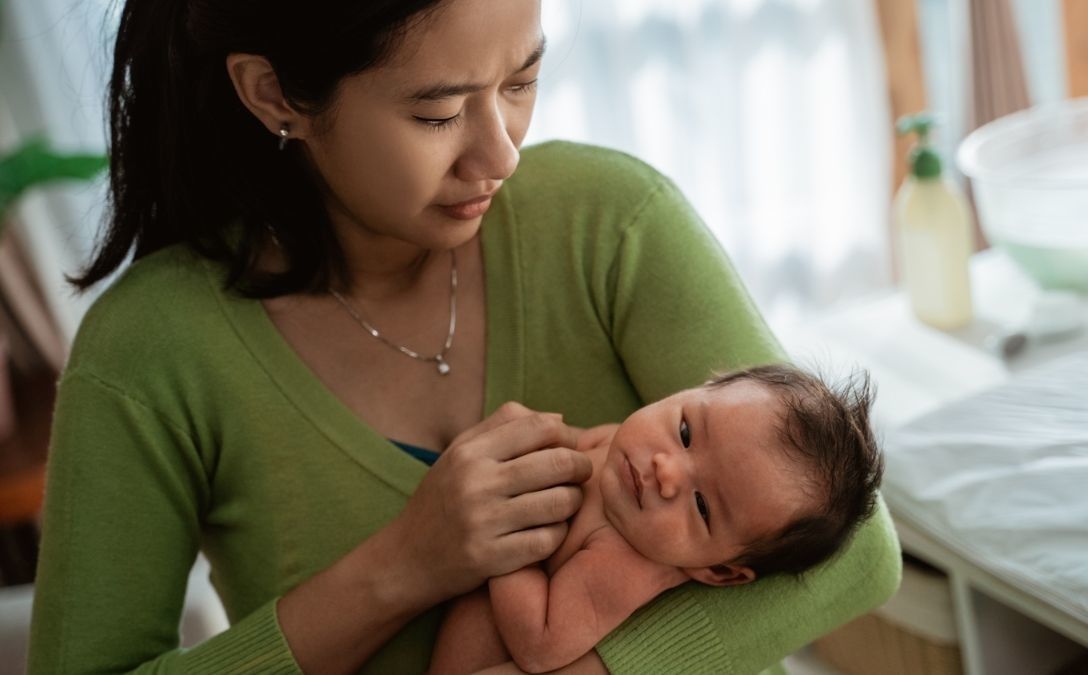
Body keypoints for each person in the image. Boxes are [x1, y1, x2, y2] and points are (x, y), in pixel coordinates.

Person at [28, 0, 901, 673]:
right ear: (275, 94)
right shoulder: (150, 355)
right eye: (439, 112)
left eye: (521, 81)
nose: (502, 155)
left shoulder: (609, 222)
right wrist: (402, 567)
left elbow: (852, 551)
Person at [428, 364, 883, 674]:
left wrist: (511, 539)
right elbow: (568, 447)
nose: (666, 471)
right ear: (701, 387)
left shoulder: (624, 561)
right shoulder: (622, 447)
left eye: (703, 507)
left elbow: (540, 643)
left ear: (719, 570)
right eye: (685, 432)